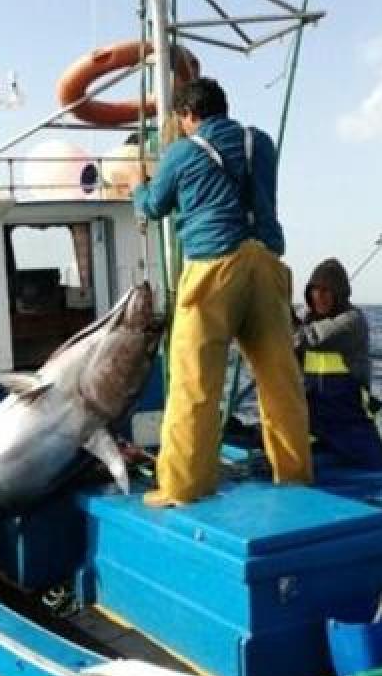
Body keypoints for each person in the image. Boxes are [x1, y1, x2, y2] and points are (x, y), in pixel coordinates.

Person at [127, 76, 312, 507]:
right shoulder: (259, 142)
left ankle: (183, 487)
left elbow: (154, 206)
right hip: (266, 264)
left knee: (195, 384)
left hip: (212, 268)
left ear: (188, 115)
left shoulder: (181, 152)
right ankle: (295, 476)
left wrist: (138, 184)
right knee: (280, 381)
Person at [294, 258, 382, 473]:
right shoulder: (306, 319)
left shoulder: (352, 321)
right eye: (314, 290)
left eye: (326, 291)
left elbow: (309, 339)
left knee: (379, 475)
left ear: (338, 293)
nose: (319, 296)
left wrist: (285, 320)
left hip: (350, 423)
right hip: (313, 418)